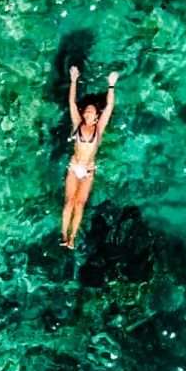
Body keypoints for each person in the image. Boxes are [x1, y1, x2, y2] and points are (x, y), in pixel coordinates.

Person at [61, 65, 119, 249]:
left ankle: (72, 238)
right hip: (74, 166)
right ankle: (63, 235)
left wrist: (111, 85)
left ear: (96, 117)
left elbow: (109, 106)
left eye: (92, 111)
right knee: (69, 201)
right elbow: (71, 103)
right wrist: (73, 81)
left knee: (79, 204)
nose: (87, 112)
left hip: (88, 170)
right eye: (86, 110)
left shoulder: (99, 129)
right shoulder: (77, 124)